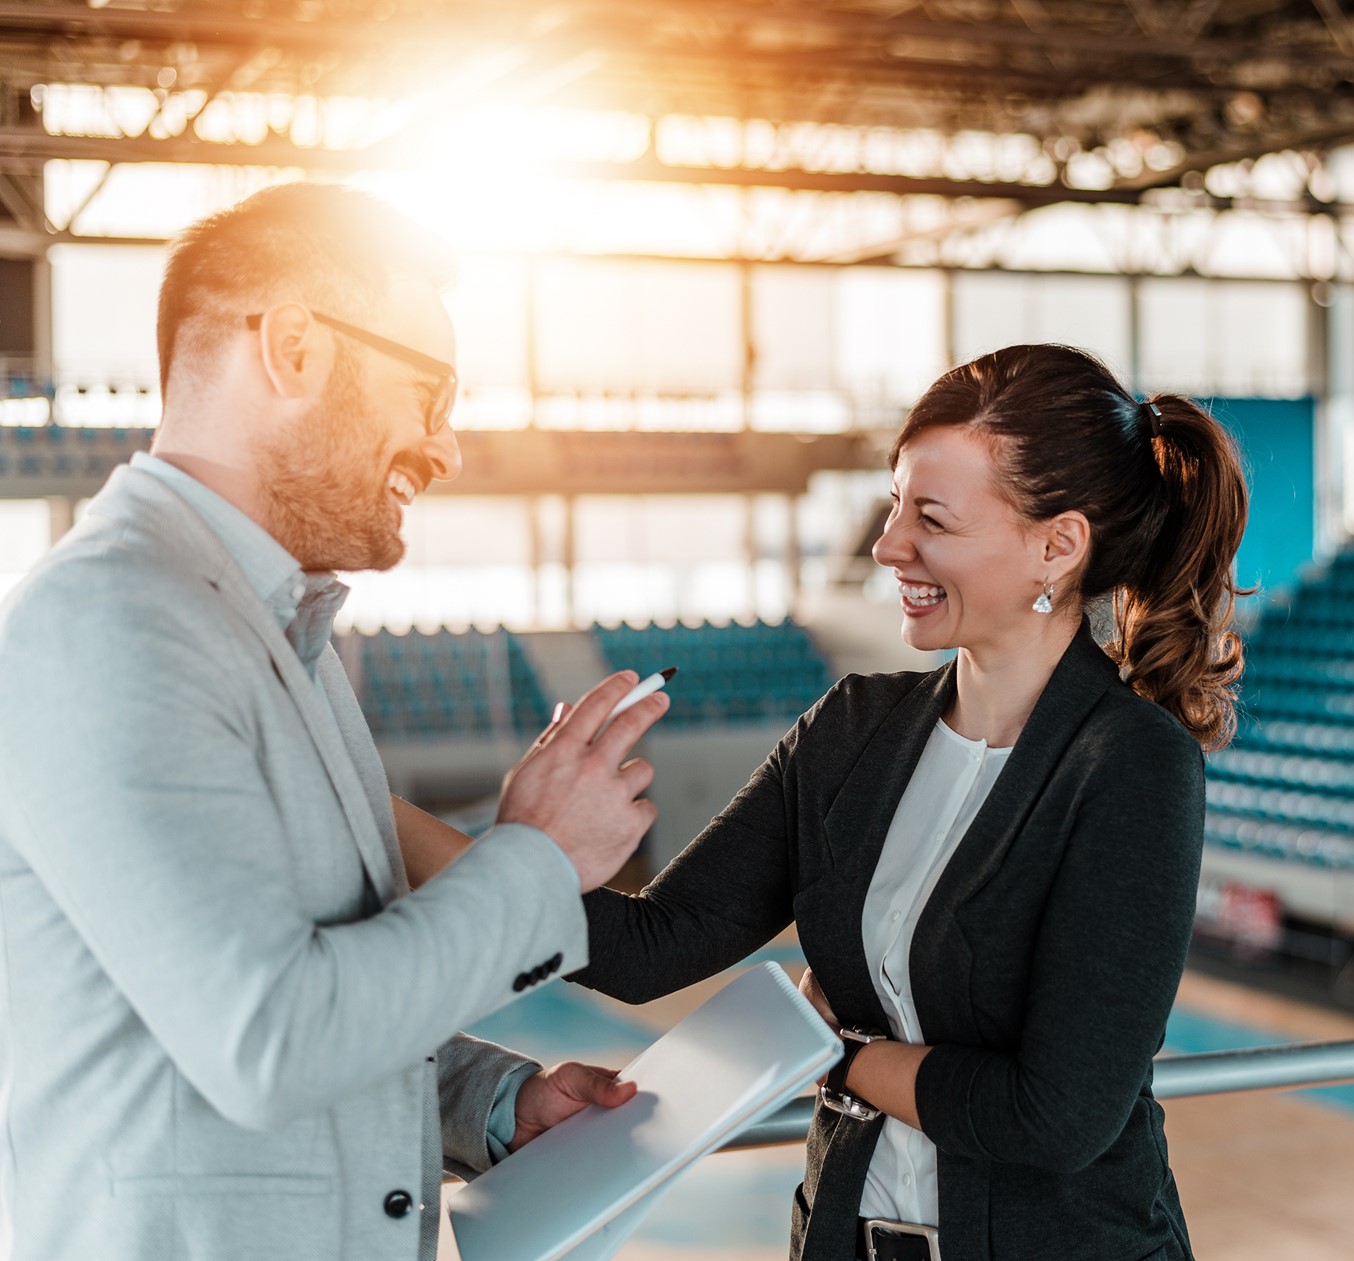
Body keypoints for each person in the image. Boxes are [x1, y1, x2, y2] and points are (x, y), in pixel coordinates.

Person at [408, 343, 1247, 1260]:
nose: (889, 545)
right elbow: (648, 949)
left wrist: (830, 1049)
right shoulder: (854, 729)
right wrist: (365, 808)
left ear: (1058, 544)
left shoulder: (1130, 764)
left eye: (931, 516)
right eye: (893, 505)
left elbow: (1053, 1116)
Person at [0, 183, 672, 1261]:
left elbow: (325, 980)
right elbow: (269, 1039)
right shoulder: (112, 623)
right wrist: (535, 856)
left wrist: (494, 1102)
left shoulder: (276, 632)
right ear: (296, 348)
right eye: (430, 390)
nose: (443, 446)